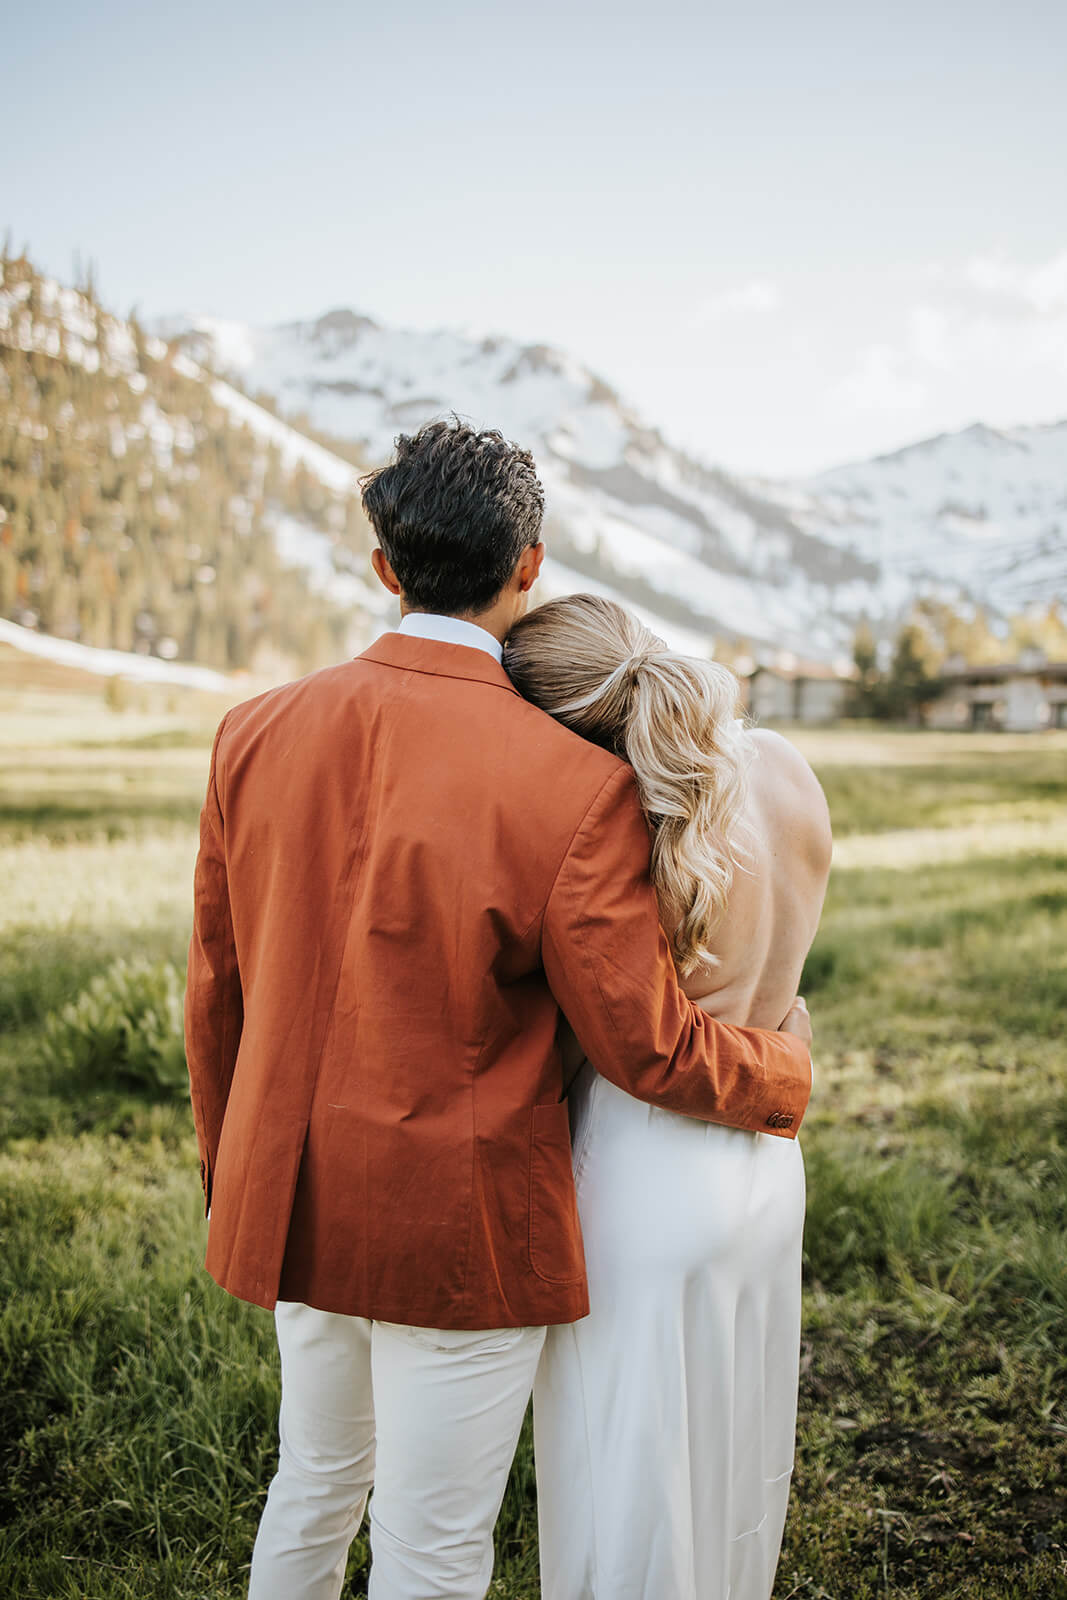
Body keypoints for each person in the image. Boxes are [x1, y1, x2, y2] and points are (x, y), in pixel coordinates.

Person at [183, 418, 814, 1600]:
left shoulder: (249, 731)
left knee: (313, 1480)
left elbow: (217, 986)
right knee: (432, 1546)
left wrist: (238, 1173)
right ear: (530, 563)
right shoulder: (575, 785)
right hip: (455, 1233)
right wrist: (787, 1073)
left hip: (291, 1202)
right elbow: (644, 1045)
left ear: (383, 569)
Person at [503, 592, 832, 1600]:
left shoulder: (617, 819)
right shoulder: (785, 767)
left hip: (644, 1171)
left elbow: (609, 1041)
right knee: (734, 1449)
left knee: (626, 1477)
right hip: (768, 1168)